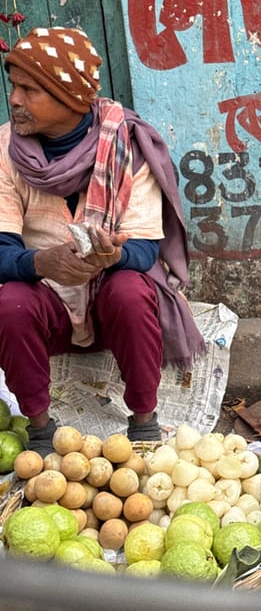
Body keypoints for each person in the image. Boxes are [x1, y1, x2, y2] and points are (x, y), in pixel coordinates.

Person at [0, 26, 205, 455]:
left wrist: (111, 256)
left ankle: (144, 422)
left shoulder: (125, 144)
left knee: (132, 288)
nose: (14, 99)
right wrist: (42, 263)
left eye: (29, 90)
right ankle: (40, 428)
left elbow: (146, 247)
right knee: (11, 301)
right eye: (14, 86)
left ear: (69, 98)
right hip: (49, 311)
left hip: (109, 310)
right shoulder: (5, 149)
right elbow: (2, 252)